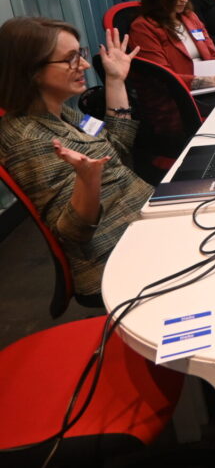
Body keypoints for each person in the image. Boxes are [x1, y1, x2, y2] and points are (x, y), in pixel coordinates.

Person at [0, 19, 151, 298]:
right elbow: (74, 232)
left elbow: (114, 147)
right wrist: (88, 180)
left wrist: (115, 80)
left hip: (139, 225)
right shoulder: (28, 139)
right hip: (115, 256)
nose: (83, 65)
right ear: (31, 70)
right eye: (70, 59)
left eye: (79, 54)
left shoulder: (58, 112)